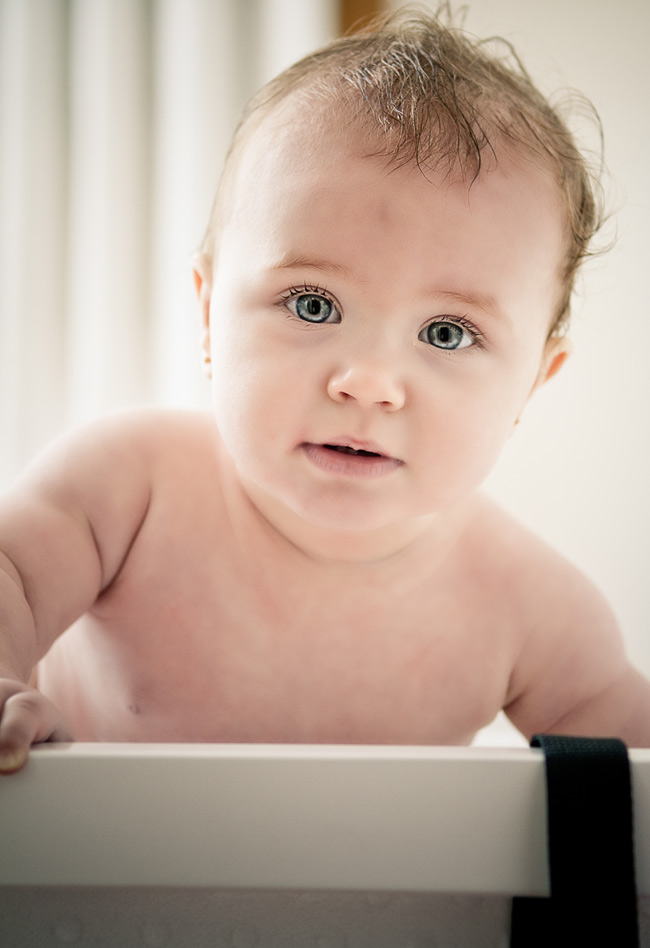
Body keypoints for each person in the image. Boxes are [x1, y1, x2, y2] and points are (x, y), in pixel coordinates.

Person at [1, 8, 649, 775]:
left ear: (533, 383)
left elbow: (634, 774)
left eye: (447, 333)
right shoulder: (125, 490)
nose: (369, 383)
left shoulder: (533, 608)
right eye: (314, 305)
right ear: (210, 316)